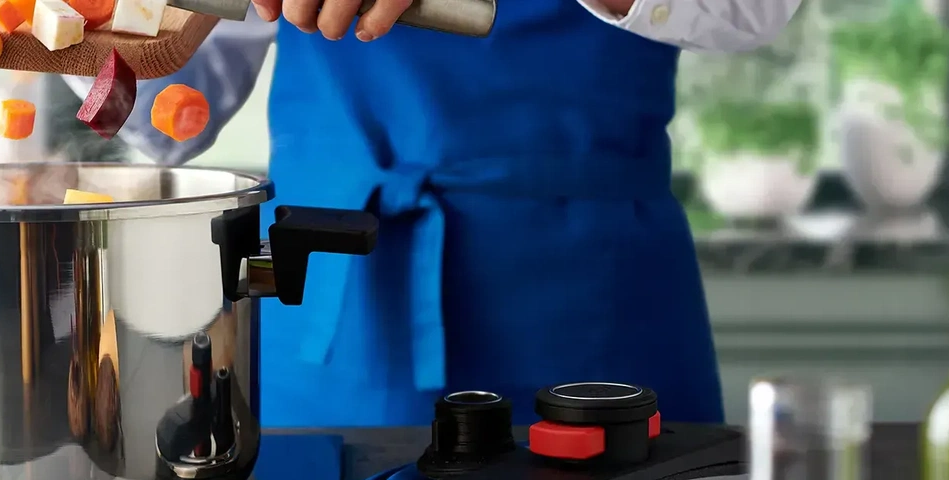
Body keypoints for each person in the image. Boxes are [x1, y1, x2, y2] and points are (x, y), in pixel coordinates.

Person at [67, 0, 799, 428]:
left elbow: (753, 12)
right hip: (329, 299)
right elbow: (164, 108)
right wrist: (73, 23)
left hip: (596, 309)